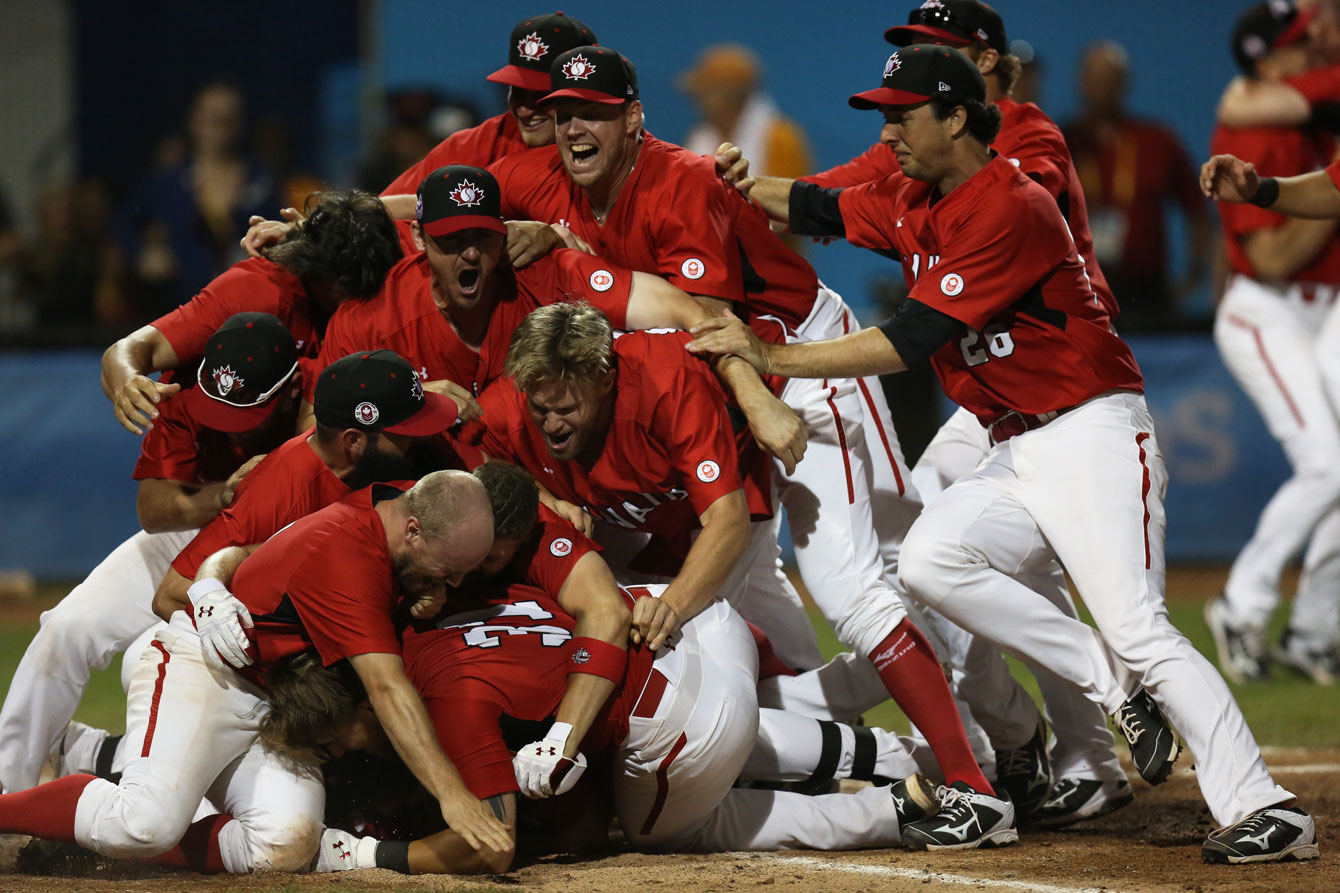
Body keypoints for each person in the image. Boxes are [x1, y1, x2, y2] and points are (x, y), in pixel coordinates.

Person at [687, 43, 1319, 865]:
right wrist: (726, 184)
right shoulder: (911, 193)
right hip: (1013, 443)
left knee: (1138, 623)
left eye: (903, 116)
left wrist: (770, 360)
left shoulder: (1010, 203)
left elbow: (911, 339)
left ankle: (1266, 806)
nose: (889, 133)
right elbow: (813, 206)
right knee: (931, 561)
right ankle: (1109, 682)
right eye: (883, 117)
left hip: (1090, 429)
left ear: (956, 116)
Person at [783, 0, 1130, 827]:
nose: (918, 69)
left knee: (1048, 576)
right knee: (922, 544)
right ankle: (1016, 735)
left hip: (1057, 388)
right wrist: (733, 190)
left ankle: (1081, 754)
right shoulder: (915, 146)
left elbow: (977, 246)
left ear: (987, 68)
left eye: (940, 53)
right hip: (991, 396)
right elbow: (829, 196)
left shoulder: (1026, 143)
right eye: (912, 52)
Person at [0, 470, 511, 872]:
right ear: (414, 531)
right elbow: (385, 686)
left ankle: (91, 818)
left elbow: (248, 553)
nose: (457, 583)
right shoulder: (350, 553)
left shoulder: (395, 503)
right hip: (203, 674)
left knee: (283, 844)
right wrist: (453, 797)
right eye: (451, 569)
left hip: (272, 703)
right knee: (143, 825)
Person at [0, 348, 460, 796]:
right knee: (79, 631)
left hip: (234, 572)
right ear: (355, 440)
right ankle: (14, 786)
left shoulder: (345, 407)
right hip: (209, 573)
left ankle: (101, 756)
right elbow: (172, 585)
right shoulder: (284, 483)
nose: (417, 437)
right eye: (405, 428)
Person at [0, 312, 300, 794]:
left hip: (271, 544)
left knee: (148, 660)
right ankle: (8, 790)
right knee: (66, 627)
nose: (232, 429)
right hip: (201, 525)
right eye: (219, 408)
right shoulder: (184, 388)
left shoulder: (318, 415)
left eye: (245, 412)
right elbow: (154, 508)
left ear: (291, 389)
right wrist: (223, 494)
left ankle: (125, 772)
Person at [1199, 1, 1340, 687]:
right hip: (1270, 308)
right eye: (1296, 40)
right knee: (1326, 463)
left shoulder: (1309, 109)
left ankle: (1316, 628)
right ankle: (1240, 602)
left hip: (1321, 309)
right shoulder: (1255, 128)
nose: (1312, 41)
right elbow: (1276, 255)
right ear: (1269, 61)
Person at [103, 189, 402, 435]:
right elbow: (130, 349)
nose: (362, 299)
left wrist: (302, 226)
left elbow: (423, 202)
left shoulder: (397, 272)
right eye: (350, 287)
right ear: (322, 271)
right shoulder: (256, 289)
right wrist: (127, 381)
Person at [1061, 41, 1209, 330]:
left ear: (1124, 83)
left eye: (1109, 79)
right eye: (1094, 78)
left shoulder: (1157, 141)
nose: (1101, 86)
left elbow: (1196, 209)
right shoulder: (1059, 142)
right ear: (1080, 82)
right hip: (1078, 288)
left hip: (1147, 290)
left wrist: (1193, 275)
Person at [117, 82, 279, 312]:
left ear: (239, 124)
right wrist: (143, 253)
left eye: (227, 118)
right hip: (181, 303)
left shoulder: (260, 180)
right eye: (211, 117)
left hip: (245, 305)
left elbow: (282, 233)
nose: (218, 126)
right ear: (194, 121)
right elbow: (124, 223)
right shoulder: (169, 182)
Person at [679, 44, 812, 180]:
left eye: (704, 91)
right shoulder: (701, 136)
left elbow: (785, 198)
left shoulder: (780, 140)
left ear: (722, 96)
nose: (695, 98)